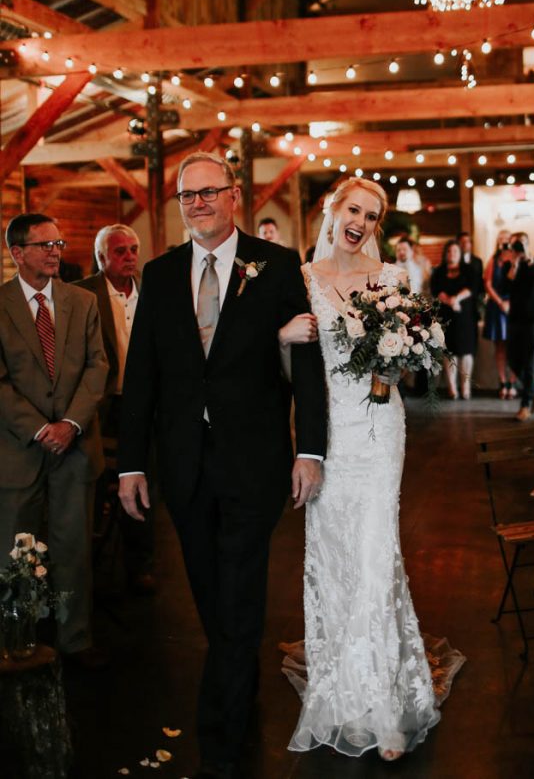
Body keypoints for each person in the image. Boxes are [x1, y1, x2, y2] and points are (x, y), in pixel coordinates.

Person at [117, 152, 327, 779]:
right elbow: (142, 379)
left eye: (210, 193)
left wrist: (309, 449)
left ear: (235, 197)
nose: (199, 204)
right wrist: (131, 464)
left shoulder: (279, 268)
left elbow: (308, 363)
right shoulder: (159, 275)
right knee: (212, 596)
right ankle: (238, 675)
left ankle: (222, 741)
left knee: (239, 592)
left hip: (254, 462)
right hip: (183, 467)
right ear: (179, 206)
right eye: (189, 197)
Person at [280, 177, 449, 762]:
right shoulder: (303, 281)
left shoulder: (393, 281)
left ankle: (381, 705)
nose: (361, 221)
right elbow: (282, 364)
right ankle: (340, 691)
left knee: (376, 552)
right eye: (354, 209)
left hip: (380, 432)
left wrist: (401, 352)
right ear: (333, 210)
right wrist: (281, 336)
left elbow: (410, 359)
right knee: (333, 555)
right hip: (327, 435)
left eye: (372, 216)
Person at [0, 213, 108, 668]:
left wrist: (70, 425)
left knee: (72, 548)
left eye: (59, 244)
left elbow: (98, 366)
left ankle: (74, 638)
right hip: (17, 449)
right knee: (15, 549)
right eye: (44, 244)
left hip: (75, 447)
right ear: (17, 252)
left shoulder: (81, 301)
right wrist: (40, 428)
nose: (55, 251)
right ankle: (18, 636)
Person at [76, 224, 157, 595]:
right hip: (101, 406)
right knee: (95, 485)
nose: (129, 257)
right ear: (101, 258)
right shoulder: (82, 296)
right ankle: (88, 566)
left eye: (133, 249)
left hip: (143, 406)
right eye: (120, 251)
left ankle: (140, 564)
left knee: (142, 484)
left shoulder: (152, 291)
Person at [502, 232, 534, 421]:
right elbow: (505, 287)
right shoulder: (509, 265)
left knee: (530, 360)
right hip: (514, 319)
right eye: (515, 245)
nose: (518, 249)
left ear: (528, 245)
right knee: (513, 359)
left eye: (522, 244)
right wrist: (514, 263)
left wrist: (527, 259)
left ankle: (525, 404)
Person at [430, 240, 477, 399]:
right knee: (449, 352)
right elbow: (436, 290)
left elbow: (473, 288)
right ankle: (452, 387)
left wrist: (456, 298)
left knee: (466, 352)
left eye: (455, 251)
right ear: (446, 254)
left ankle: (466, 387)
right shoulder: (439, 271)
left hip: (465, 316)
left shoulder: (468, 269)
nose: (452, 254)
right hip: (446, 315)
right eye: (449, 251)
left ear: (460, 253)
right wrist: (450, 301)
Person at [482, 230, 517, 398]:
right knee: (500, 347)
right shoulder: (493, 260)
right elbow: (487, 284)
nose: (504, 242)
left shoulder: (516, 258)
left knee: (515, 345)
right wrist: (500, 302)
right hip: (497, 305)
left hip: (514, 305)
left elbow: (519, 281)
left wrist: (510, 302)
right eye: (500, 239)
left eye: (507, 239)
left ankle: (513, 382)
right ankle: (503, 381)